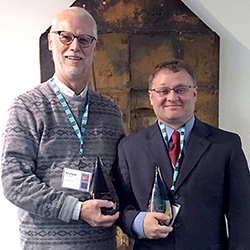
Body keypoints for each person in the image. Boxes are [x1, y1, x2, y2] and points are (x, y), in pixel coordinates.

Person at [1, 7, 125, 250]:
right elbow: (13, 180)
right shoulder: (25, 107)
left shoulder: (111, 112)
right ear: (50, 41)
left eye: (84, 39)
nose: (75, 46)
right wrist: (77, 210)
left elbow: (122, 179)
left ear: (95, 47)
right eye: (65, 36)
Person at [115, 59, 250, 249]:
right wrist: (138, 222)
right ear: (151, 97)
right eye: (163, 90)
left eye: (180, 89)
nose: (172, 97)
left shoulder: (226, 145)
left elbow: (242, 214)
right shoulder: (129, 148)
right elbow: (121, 203)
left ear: (194, 93)